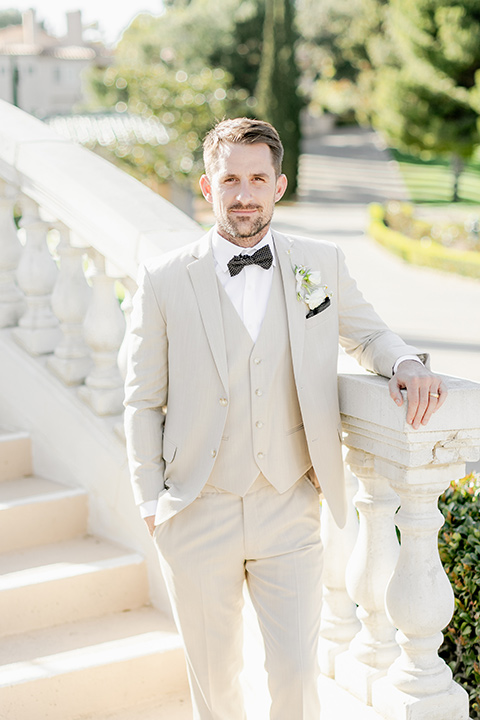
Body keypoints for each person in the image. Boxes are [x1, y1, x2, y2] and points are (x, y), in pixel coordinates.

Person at [124, 117, 446, 720]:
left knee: (297, 678)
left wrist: (404, 360)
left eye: (256, 178)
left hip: (289, 507)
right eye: (229, 180)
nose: (243, 194)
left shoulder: (318, 263)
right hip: (196, 509)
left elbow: (369, 331)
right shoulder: (164, 280)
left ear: (279, 184)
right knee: (216, 687)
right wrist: (150, 500)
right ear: (206, 186)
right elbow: (143, 399)